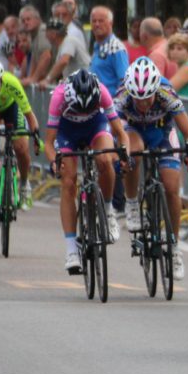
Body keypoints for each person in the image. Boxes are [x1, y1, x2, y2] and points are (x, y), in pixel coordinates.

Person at [115, 58, 188, 280]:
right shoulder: (122, 94)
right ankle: (132, 203)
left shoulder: (166, 92)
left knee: (171, 187)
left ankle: (174, 247)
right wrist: (121, 156)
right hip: (132, 130)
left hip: (162, 132)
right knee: (134, 152)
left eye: (147, 98)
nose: (143, 104)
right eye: (138, 99)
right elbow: (112, 129)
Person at [45, 69, 129, 274]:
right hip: (67, 132)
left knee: (105, 159)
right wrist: (54, 161)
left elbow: (121, 133)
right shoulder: (58, 96)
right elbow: (48, 142)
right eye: (79, 108)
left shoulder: (102, 92)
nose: (82, 112)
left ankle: (108, 211)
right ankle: (71, 250)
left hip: (95, 126)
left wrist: (124, 154)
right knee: (68, 180)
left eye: (88, 108)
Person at [0, 53, 40, 230]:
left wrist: (36, 135)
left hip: (10, 109)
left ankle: (24, 184)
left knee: (21, 146)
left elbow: (29, 115)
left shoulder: (10, 82)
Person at [89, 6, 130, 96]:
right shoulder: (97, 46)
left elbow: (124, 82)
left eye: (101, 21)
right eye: (94, 21)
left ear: (110, 23)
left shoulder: (116, 48)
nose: (97, 24)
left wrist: (117, 103)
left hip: (110, 102)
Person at [43, 18, 92, 84]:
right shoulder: (62, 45)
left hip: (86, 82)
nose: (45, 36)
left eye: (47, 32)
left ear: (53, 34)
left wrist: (47, 79)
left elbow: (64, 61)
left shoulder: (69, 41)